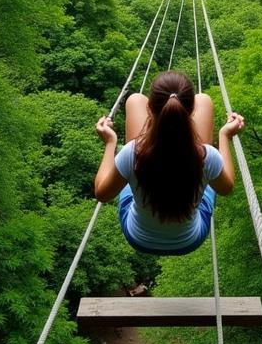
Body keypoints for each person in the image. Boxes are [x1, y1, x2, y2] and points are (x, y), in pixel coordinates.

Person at [93, 69, 245, 255]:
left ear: (150, 109)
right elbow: (226, 188)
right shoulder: (208, 156)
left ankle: (151, 133)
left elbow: (102, 194)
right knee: (204, 99)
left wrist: (110, 143)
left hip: (139, 238)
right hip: (188, 240)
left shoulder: (131, 153)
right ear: (191, 110)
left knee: (134, 101)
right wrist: (224, 135)